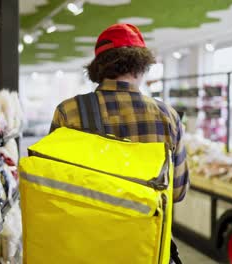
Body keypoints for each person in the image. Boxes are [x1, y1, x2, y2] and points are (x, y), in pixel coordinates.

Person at [49, 23, 189, 262]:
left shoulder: (68, 112)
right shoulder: (169, 116)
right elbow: (177, 191)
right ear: (142, 65)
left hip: (85, 247)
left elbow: (52, 185)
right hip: (147, 249)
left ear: (98, 68)